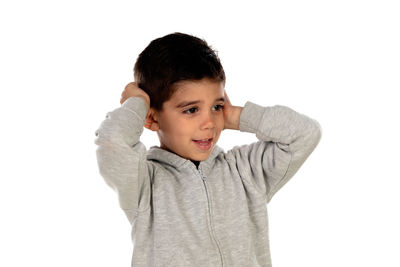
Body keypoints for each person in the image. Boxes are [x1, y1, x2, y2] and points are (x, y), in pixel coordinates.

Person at [94, 32, 322, 267]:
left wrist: (235, 115)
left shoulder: (244, 171)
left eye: (216, 106)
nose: (210, 123)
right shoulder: (144, 184)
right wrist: (138, 103)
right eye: (192, 110)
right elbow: (113, 142)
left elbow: (304, 133)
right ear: (152, 118)